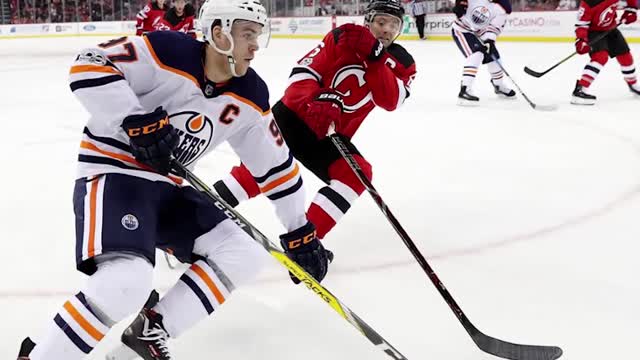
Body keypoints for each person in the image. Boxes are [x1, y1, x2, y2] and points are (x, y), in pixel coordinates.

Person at [15, 0, 333, 359]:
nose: (255, 45)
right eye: (247, 34)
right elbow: (88, 63)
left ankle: (148, 334)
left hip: (168, 187)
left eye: (258, 35)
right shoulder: (168, 50)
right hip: (114, 171)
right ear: (219, 34)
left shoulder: (251, 95)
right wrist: (133, 120)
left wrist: (299, 230)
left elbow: (277, 168)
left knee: (242, 253)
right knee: (128, 280)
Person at [212, 0, 416, 242]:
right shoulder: (343, 37)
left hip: (327, 135)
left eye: (394, 25)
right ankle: (194, 218)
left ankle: (307, 244)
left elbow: (390, 101)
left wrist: (375, 58)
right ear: (368, 21)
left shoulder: (403, 62)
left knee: (355, 174)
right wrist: (314, 99)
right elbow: (302, 72)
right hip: (292, 117)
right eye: (381, 22)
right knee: (257, 175)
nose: (387, 30)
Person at [571, 0, 639, 105]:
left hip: (611, 27)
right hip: (593, 31)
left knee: (625, 56)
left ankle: (633, 85)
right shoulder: (589, 3)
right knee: (600, 57)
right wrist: (581, 40)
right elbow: (581, 25)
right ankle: (580, 90)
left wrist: (631, 9)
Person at [451, 0, 516, 105]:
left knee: (494, 57)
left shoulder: (503, 8)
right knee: (476, 54)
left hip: (480, 33)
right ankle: (465, 90)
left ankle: (498, 85)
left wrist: (489, 39)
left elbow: (494, 27)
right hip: (463, 30)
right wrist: (459, 4)